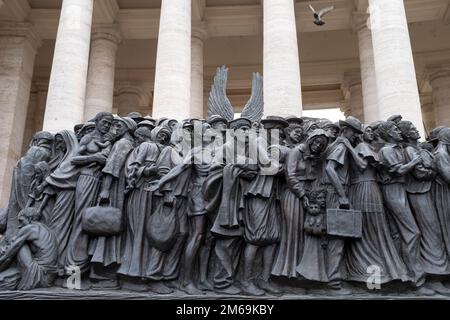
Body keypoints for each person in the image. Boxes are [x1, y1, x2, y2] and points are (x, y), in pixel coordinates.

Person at [345, 124, 411, 286]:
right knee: (369, 230)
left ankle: (384, 274)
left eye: (371, 131)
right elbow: (361, 166)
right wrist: (348, 146)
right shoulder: (361, 146)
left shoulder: (371, 148)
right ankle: (371, 278)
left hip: (372, 188)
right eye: (367, 131)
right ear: (360, 135)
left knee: (378, 230)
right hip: (363, 189)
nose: (371, 133)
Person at [377, 120, 430, 294]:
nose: (399, 132)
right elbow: (398, 171)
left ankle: (403, 276)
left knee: (399, 234)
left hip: (400, 189)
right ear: (388, 134)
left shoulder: (399, 148)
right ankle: (417, 278)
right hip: (393, 190)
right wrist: (415, 160)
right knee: (412, 232)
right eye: (395, 129)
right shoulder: (386, 150)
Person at [397, 121, 450, 294]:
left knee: (435, 233)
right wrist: (434, 170)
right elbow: (420, 173)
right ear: (406, 134)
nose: (415, 130)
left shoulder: (421, 150)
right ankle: (434, 275)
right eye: (411, 129)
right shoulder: (410, 151)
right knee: (430, 233)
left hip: (427, 193)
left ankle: (441, 274)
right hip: (418, 194)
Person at [65, 112, 114, 287]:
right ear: (98, 122)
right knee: (80, 224)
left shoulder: (107, 141)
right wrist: (93, 157)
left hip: (98, 182)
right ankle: (72, 279)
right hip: (86, 180)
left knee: (92, 226)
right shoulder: (87, 138)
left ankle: (87, 272)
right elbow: (74, 159)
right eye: (104, 122)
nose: (107, 125)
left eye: (109, 123)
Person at [0, 208, 57, 291]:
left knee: (18, 246)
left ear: (29, 219)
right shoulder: (46, 230)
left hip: (37, 274)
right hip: (49, 278)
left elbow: (8, 255)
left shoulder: (29, 229)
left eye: (21, 221)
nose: (19, 225)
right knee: (16, 245)